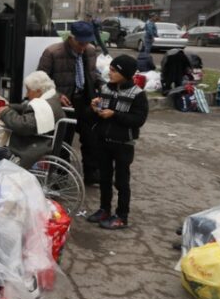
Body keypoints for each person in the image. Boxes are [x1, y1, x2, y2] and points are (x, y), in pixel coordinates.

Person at [86, 55, 148, 230]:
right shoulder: (105, 89)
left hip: (123, 144)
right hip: (103, 141)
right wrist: (93, 108)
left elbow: (138, 119)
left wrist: (114, 114)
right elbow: (93, 115)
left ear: (125, 73)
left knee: (121, 181)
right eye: (110, 69)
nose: (110, 73)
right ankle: (104, 209)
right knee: (104, 178)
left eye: (114, 70)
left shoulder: (137, 94)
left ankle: (122, 216)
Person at [37, 20, 100, 185]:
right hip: (64, 103)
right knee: (63, 141)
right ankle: (59, 178)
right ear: (71, 38)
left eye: (87, 42)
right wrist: (56, 95)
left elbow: (93, 74)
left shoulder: (91, 51)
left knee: (91, 139)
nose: (83, 46)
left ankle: (92, 174)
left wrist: (103, 87)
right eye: (80, 42)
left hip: (86, 100)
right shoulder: (53, 52)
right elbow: (40, 80)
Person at [0, 71, 65, 169]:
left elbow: (21, 125)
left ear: (39, 91)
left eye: (28, 90)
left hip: (33, 146)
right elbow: (29, 108)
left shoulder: (43, 106)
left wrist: (4, 112)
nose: (27, 94)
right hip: (43, 141)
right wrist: (9, 107)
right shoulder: (51, 98)